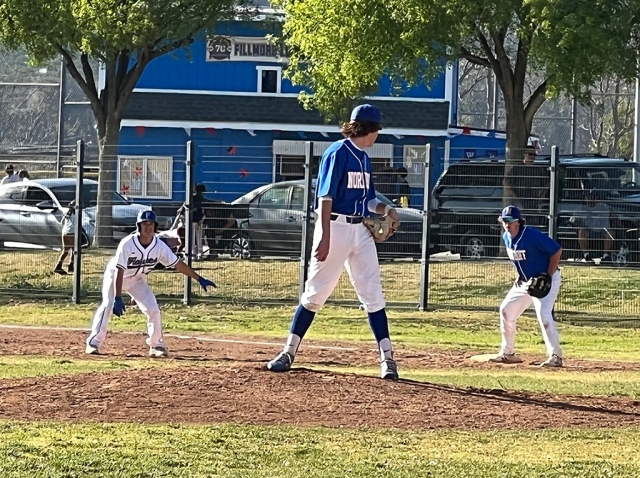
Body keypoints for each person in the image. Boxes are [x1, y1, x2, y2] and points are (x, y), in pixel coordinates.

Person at [266, 104, 401, 380]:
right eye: (376, 129)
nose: (377, 135)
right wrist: (325, 236)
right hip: (335, 227)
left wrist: (387, 210)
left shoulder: (364, 158)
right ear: (368, 128)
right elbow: (325, 198)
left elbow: (368, 200)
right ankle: (288, 352)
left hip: (360, 230)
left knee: (373, 294)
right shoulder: (338, 153)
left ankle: (388, 359)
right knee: (315, 293)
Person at [85, 210, 216, 357]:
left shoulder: (159, 246)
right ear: (139, 226)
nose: (148, 227)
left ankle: (157, 345)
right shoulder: (128, 243)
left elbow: (177, 264)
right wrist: (118, 297)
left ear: (155, 226)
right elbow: (119, 271)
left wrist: (199, 278)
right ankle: (93, 343)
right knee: (107, 305)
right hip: (115, 276)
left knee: (153, 309)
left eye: (151, 224)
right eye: (144, 224)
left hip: (137, 280)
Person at [489, 205, 564, 367]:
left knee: (544, 314)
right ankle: (507, 353)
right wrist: (519, 274)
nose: (507, 224)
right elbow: (519, 258)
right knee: (506, 310)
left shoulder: (531, 235)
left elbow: (556, 251)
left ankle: (555, 357)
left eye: (511, 221)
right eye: (504, 221)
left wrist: (548, 276)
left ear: (518, 222)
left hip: (545, 279)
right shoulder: (507, 237)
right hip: (525, 282)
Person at [572, 190, 614, 263]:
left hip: (603, 231)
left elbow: (614, 216)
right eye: (588, 197)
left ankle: (606, 256)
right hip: (588, 231)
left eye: (593, 196)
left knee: (610, 232)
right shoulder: (580, 209)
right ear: (585, 198)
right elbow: (573, 221)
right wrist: (581, 226)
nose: (590, 199)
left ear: (596, 198)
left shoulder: (604, 207)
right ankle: (586, 255)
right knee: (582, 231)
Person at [177, 184, 206, 260]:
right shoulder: (199, 199)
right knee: (197, 238)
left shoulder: (191, 198)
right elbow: (204, 209)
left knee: (193, 238)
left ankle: (194, 253)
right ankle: (198, 253)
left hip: (192, 220)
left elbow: (182, 210)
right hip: (196, 220)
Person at [53, 200, 76, 275]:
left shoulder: (66, 213)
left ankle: (59, 266)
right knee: (74, 250)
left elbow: (61, 222)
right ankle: (71, 265)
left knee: (66, 250)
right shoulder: (77, 214)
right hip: (72, 233)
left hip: (65, 232)